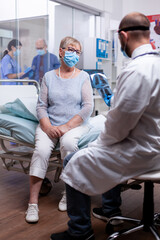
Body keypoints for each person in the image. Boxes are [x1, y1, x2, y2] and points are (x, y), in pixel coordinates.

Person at [50, 12, 160, 240]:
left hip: (145, 151)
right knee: (105, 151)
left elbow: (117, 129)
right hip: (155, 145)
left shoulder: (136, 70)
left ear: (123, 36)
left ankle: (80, 232)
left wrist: (96, 146)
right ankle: (111, 210)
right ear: (148, 34)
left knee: (75, 159)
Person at [25, 36, 94, 223]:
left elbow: (88, 106)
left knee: (70, 144)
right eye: (71, 49)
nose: (74, 54)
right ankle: (32, 204)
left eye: (77, 52)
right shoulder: (48, 77)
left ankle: (68, 193)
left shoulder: (83, 77)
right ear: (61, 51)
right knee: (40, 151)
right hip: (50, 124)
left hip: (74, 124)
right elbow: (41, 106)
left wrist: (66, 127)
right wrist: (47, 126)